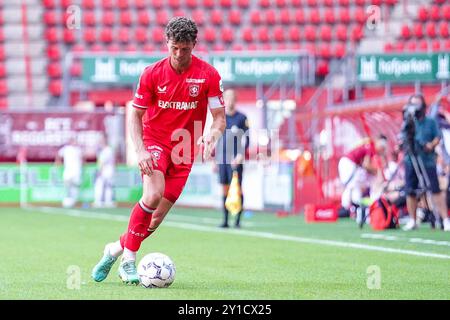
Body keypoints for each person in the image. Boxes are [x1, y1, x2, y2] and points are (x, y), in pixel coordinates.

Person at [91, 17, 226, 284]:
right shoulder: (152, 73)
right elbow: (135, 115)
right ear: (167, 43)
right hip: (155, 142)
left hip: (184, 151)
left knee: (153, 221)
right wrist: (140, 150)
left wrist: (212, 135)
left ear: (193, 45)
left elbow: (219, 117)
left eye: (184, 49)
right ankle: (128, 260)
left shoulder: (208, 75)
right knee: (152, 195)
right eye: (174, 47)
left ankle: (113, 249)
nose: (179, 54)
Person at [401, 93, 450, 231]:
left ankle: (445, 220)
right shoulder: (408, 121)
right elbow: (403, 136)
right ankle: (412, 220)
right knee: (410, 190)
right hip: (411, 160)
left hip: (427, 160)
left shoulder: (430, 121)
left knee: (435, 189)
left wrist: (430, 145)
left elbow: (438, 136)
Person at [215, 89, 249, 228]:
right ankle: (225, 220)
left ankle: (238, 221)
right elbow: (217, 138)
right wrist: (215, 159)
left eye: (232, 98)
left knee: (237, 188)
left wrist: (240, 155)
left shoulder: (241, 118)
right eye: (227, 98)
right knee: (225, 188)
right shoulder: (220, 118)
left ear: (235, 100)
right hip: (222, 159)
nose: (229, 101)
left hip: (236, 159)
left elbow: (247, 138)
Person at [338, 134, 388, 214]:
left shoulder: (370, 146)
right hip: (348, 163)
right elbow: (366, 165)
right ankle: (346, 208)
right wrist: (377, 172)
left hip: (350, 164)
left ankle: (353, 209)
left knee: (354, 186)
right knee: (351, 186)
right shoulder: (370, 146)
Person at [55, 137, 83, 208]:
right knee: (67, 185)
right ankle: (67, 200)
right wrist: (58, 161)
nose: (74, 142)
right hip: (68, 170)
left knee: (75, 186)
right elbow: (58, 155)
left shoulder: (78, 149)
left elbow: (82, 158)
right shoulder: (66, 149)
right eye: (73, 141)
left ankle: (74, 201)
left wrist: (82, 164)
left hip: (77, 170)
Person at [93, 135, 116, 208]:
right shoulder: (106, 150)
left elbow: (103, 162)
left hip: (106, 171)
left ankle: (100, 201)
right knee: (107, 187)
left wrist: (99, 171)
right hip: (109, 170)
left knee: (100, 186)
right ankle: (107, 201)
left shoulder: (107, 150)